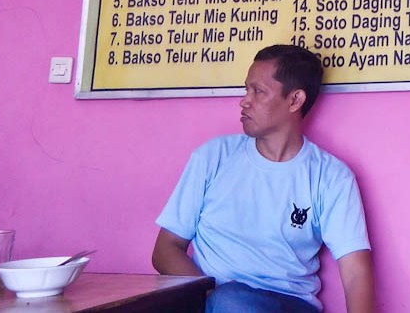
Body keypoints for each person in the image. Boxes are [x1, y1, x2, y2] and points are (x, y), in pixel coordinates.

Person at [153, 44, 375, 313]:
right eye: (246, 89)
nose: (244, 100)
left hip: (290, 304)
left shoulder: (331, 177)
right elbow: (166, 249)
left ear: (294, 100)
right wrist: (211, 294)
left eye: (258, 92)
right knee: (226, 302)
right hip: (213, 298)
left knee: (232, 303)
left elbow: (355, 274)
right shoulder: (213, 157)